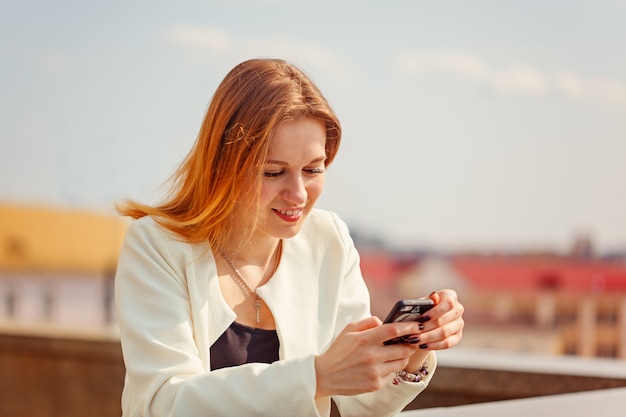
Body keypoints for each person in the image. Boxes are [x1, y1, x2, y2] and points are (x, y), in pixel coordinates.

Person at [114, 58, 464, 417]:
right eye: (273, 172)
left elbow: (360, 404)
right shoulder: (156, 245)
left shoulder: (329, 240)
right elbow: (161, 404)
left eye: (314, 169)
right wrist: (315, 376)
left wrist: (414, 349)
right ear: (224, 164)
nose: (298, 194)